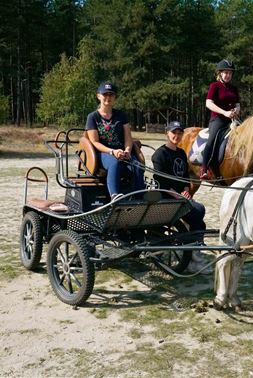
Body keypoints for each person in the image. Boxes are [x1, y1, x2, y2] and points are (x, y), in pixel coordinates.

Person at [152, 121, 209, 273]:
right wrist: (177, 195)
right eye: (173, 133)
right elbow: (161, 182)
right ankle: (192, 256)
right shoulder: (159, 154)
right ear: (167, 133)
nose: (176, 136)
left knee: (199, 214)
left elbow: (185, 177)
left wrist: (185, 191)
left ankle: (193, 256)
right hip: (166, 197)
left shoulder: (181, 153)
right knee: (197, 211)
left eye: (179, 133)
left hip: (180, 197)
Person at [85, 82, 144, 199]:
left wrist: (127, 150)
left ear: (115, 97)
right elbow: (94, 142)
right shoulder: (93, 117)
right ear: (98, 96)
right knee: (114, 162)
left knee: (137, 165)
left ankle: (139, 197)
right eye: (105, 94)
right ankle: (115, 195)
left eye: (111, 95)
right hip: (103, 153)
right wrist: (112, 151)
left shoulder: (121, 115)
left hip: (122, 152)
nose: (108, 97)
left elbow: (128, 138)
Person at [200, 59, 241, 179]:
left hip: (232, 120)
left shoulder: (234, 88)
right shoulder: (215, 86)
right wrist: (225, 112)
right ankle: (204, 168)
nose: (228, 75)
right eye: (226, 73)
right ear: (220, 73)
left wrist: (236, 111)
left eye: (230, 73)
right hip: (217, 120)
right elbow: (209, 103)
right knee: (212, 140)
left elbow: (237, 104)